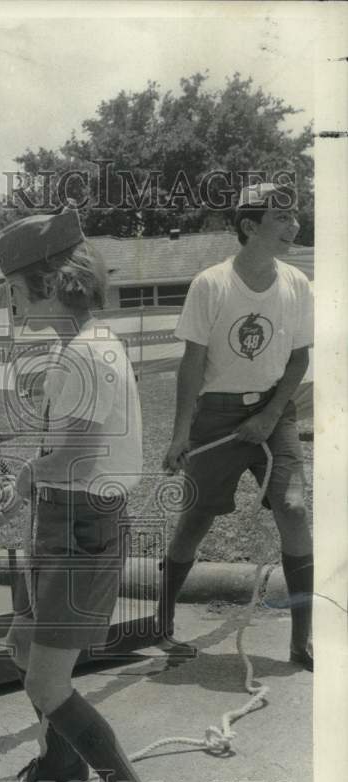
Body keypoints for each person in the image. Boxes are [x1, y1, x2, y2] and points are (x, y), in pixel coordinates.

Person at [0, 211, 176, 782]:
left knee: (47, 684)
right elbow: (70, 447)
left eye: (12, 285)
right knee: (20, 644)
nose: (8, 298)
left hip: (79, 527)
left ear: (42, 283)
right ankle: (60, 768)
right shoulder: (89, 345)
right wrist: (33, 474)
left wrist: (38, 473)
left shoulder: (79, 357)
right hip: (66, 520)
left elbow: (75, 456)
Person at [157, 183, 314, 670]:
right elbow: (192, 363)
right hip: (218, 415)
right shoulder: (211, 283)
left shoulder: (297, 283)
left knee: (292, 507)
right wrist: (182, 434)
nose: (295, 226)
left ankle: (300, 641)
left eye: (295, 218)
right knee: (197, 519)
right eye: (282, 218)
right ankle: (160, 622)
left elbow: (299, 358)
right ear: (250, 227)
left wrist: (269, 416)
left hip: (275, 412)